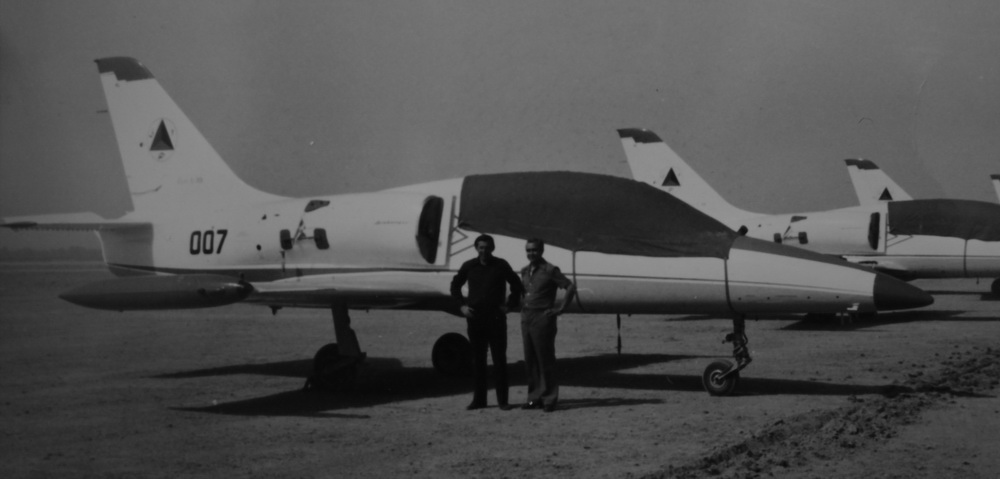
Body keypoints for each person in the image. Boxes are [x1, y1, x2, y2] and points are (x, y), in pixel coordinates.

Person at [450, 234, 523, 411]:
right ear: (476, 248)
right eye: (481, 247)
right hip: (475, 318)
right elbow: (455, 286)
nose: (484, 251)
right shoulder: (469, 266)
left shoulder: (501, 265)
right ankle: (479, 400)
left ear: (492, 248)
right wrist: (462, 307)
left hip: (496, 318)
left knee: (499, 359)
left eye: (487, 247)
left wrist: (510, 305)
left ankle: (503, 401)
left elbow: (517, 285)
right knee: (479, 360)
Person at [519, 238, 576, 413]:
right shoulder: (524, 271)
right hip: (526, 316)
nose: (531, 254)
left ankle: (549, 398)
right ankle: (534, 397)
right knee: (531, 360)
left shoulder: (550, 270)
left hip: (542, 317)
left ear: (541, 251)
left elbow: (570, 286)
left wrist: (560, 309)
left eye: (534, 250)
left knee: (545, 359)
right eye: (528, 251)